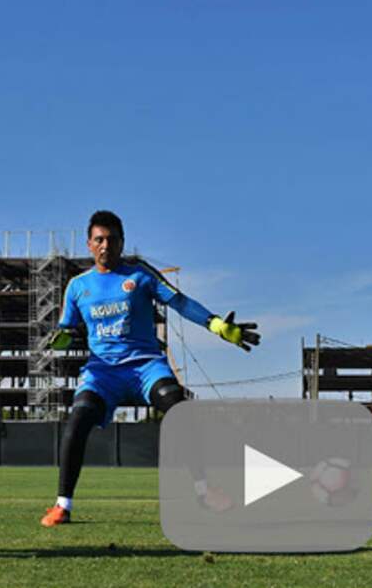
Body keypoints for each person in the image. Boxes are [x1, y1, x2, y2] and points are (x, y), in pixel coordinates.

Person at [40, 210, 260, 527]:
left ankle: (204, 490)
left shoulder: (140, 275)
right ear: (89, 244)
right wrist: (59, 339)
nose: (106, 245)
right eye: (99, 239)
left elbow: (179, 302)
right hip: (103, 373)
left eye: (112, 239)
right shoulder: (77, 287)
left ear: (122, 242)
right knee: (77, 420)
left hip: (146, 366)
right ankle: (63, 505)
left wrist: (215, 324)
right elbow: (65, 328)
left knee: (180, 411)